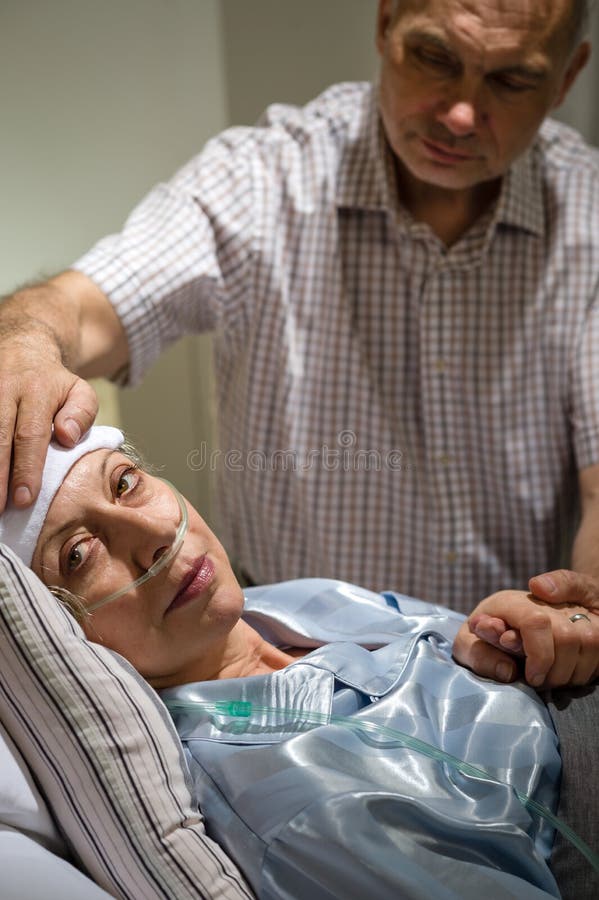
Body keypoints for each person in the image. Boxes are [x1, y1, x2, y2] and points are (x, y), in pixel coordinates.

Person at [0, 1, 598, 614]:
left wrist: (583, 608)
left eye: (512, 79)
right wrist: (24, 341)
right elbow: (85, 305)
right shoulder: (263, 180)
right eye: (435, 57)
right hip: (293, 653)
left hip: (516, 661)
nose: (462, 113)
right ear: (386, 22)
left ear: (567, 77)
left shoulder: (589, 215)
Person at [0, 426, 597, 898]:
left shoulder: (284, 606)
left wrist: (510, 633)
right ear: (59, 633)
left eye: (126, 483)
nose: (154, 535)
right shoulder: (300, 809)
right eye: (80, 553)